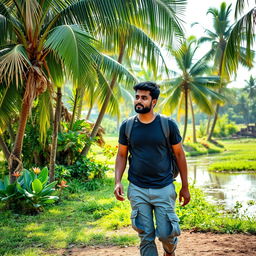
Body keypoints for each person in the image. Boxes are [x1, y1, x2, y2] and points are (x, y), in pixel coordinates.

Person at [114, 81, 190, 256]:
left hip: (163, 187)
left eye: (144, 98)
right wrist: (117, 181)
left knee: (166, 234)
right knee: (145, 235)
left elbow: (179, 155)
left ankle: (169, 251)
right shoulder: (127, 126)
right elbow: (121, 155)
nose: (139, 101)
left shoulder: (167, 124)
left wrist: (185, 186)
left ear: (153, 102)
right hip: (137, 188)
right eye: (137, 97)